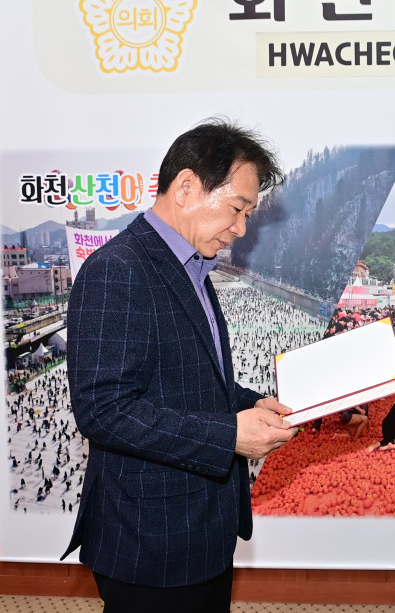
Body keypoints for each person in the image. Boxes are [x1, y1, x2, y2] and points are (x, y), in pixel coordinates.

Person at [61, 119, 300, 613]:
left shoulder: (192, 267)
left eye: (248, 214)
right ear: (187, 187)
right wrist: (229, 436)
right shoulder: (117, 270)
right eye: (237, 208)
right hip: (150, 539)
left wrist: (255, 403)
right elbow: (103, 409)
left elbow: (195, 379)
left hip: (203, 527)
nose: (241, 228)